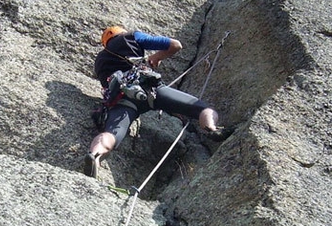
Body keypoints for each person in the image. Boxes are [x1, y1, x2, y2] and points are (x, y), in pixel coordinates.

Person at [84, 26, 234, 177]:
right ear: (120, 33)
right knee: (201, 108)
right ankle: (212, 128)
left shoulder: (99, 61)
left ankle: (95, 154)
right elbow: (175, 45)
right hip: (151, 91)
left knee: (112, 133)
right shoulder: (131, 37)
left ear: (105, 43)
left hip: (122, 100)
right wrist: (156, 57)